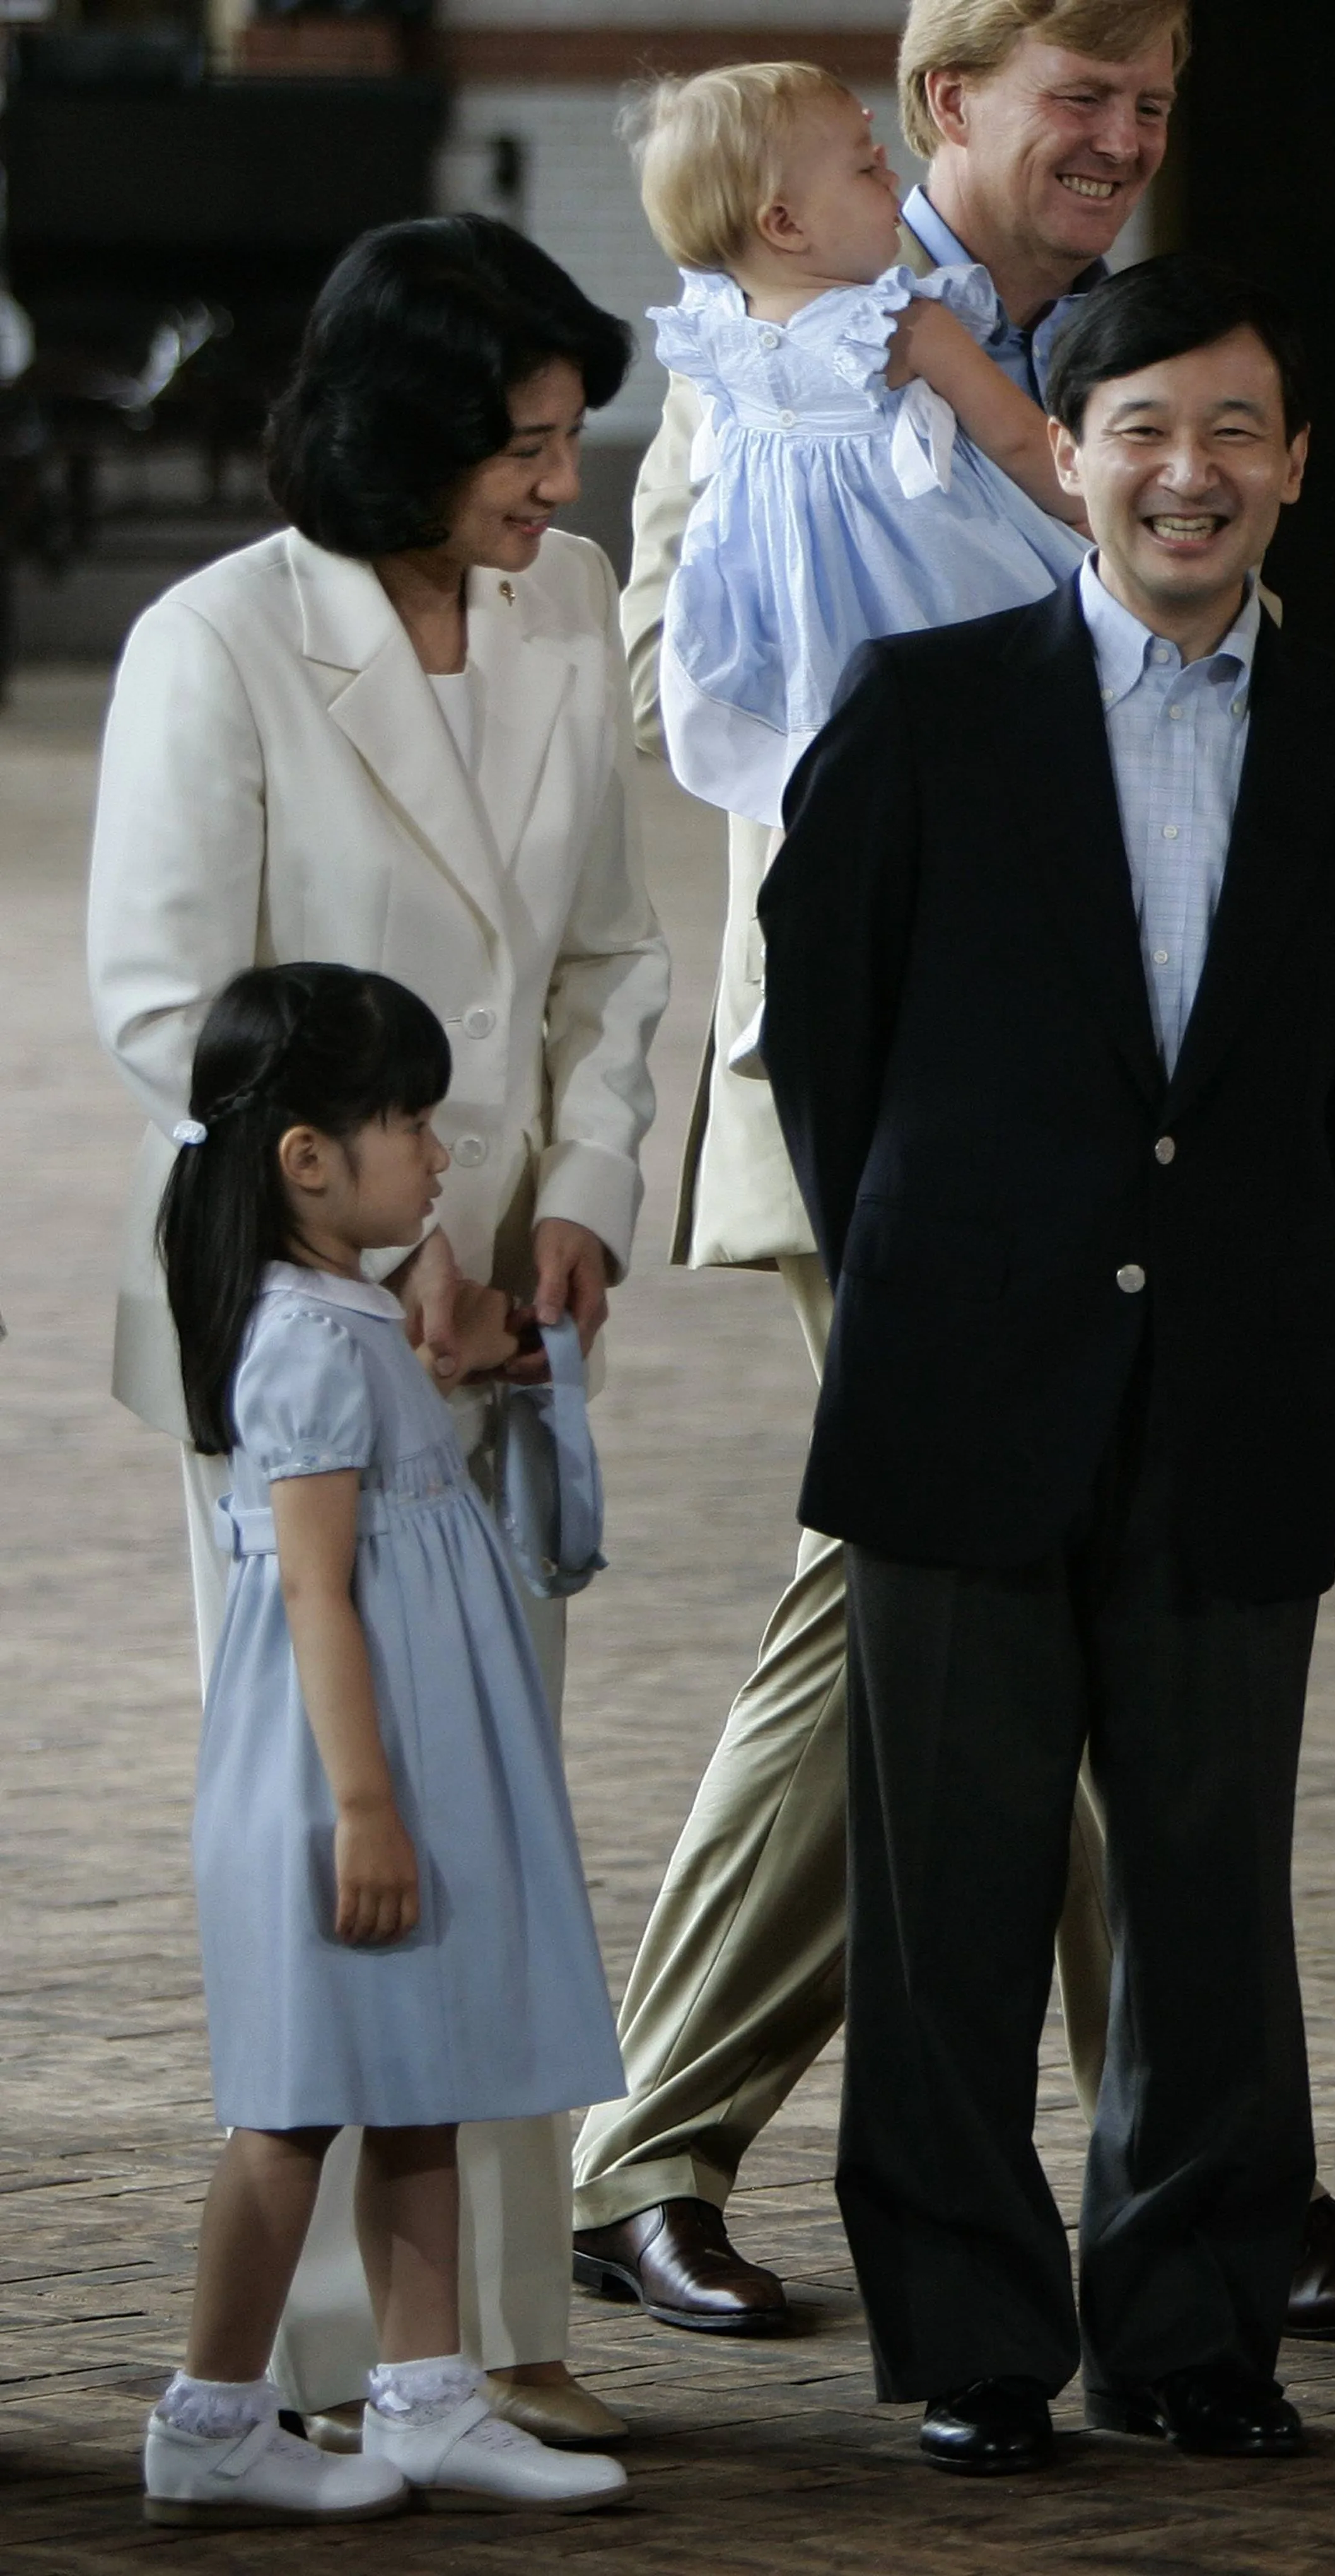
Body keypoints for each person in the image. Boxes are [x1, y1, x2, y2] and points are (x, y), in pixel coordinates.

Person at [576, 0, 1335, 2347]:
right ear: (937, 113)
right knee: (925, 1600)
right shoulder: (781, 351)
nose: (1119, 140)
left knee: (1014, 1591)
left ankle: (1161, 2174)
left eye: (1153, 105)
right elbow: (706, 698)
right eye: (1074, 98)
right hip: (892, 1091)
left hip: (1143, 1111)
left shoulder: (1130, 357)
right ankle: (688, 2146)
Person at [757, 254, 1335, 2474]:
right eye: (1142, 427)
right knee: (949, 1887)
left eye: (1236, 429)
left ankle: (1196, 2326)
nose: (1189, 471)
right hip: (962, 1372)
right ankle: (973, 2339)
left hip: (1236, 1379)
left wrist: (1201, 1254)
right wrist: (953, 1255)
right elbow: (828, 1037)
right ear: (1062, 455)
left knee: (1209, 1888)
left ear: (1298, 467)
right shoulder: (923, 709)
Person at [88, 214, 671, 2445]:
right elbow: (168, 1012)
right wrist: (361, 1248)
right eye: (523, 448)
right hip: (300, 1327)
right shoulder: (214, 645)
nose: (561, 489)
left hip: (505, 1309)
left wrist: (576, 1206)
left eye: (565, 443)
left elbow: (616, 959)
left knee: (497, 1800)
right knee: (346, 1806)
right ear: (405, 434)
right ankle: (326, 2354)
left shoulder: (569, 604)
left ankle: (491, 2336)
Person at [140, 965, 629, 2527]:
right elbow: (314, 1583)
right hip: (340, 1773)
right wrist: (365, 1804)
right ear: (306, 1159)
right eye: (408, 1122)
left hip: (402, 1756)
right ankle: (210, 2417)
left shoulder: (353, 1318)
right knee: (295, 2105)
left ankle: (427, 2396)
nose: (437, 1152)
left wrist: (493, 1358)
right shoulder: (304, 1344)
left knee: (420, 2075)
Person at [634, 60, 1088, 831]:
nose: (893, 180)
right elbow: (1017, 440)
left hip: (785, 617)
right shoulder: (900, 324)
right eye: (865, 169)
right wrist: (1098, 520)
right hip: (926, 579)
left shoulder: (718, 333)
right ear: (785, 223)